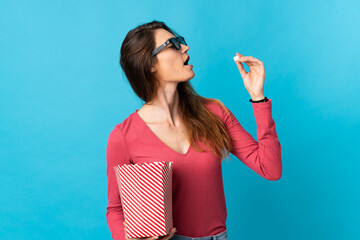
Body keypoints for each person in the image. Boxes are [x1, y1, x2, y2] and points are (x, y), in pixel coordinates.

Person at [106, 20, 282, 240]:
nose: (185, 48)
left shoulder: (215, 112)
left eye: (182, 41)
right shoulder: (123, 136)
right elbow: (115, 209)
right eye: (173, 43)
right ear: (149, 63)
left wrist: (259, 98)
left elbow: (270, 169)